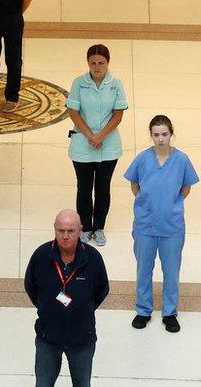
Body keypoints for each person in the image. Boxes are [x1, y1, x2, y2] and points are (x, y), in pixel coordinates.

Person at [21, 209, 109, 387]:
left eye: (71, 231)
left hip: (82, 339)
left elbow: (102, 290)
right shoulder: (41, 256)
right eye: (61, 231)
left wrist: (81, 310)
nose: (66, 236)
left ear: (81, 231)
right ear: (54, 230)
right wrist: (49, 310)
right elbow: (31, 287)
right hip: (48, 338)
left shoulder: (93, 258)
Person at [124, 115, 199, 333]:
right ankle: (143, 310)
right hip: (145, 225)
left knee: (171, 271)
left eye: (164, 134)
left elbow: (186, 187)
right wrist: (146, 204)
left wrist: (172, 204)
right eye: (156, 135)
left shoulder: (182, 159)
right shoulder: (143, 158)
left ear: (171, 134)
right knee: (143, 269)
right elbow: (134, 183)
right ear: (151, 135)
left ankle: (169, 312)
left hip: (171, 226)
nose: (160, 139)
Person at [67, 44, 128, 247]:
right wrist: (90, 136)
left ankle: (99, 227)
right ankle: (85, 227)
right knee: (83, 188)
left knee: (103, 188)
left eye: (101, 63)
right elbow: (73, 112)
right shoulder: (79, 83)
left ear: (108, 62)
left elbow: (118, 114)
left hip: (108, 144)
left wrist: (100, 135)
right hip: (83, 144)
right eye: (93, 63)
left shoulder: (116, 84)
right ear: (88, 63)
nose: (97, 67)